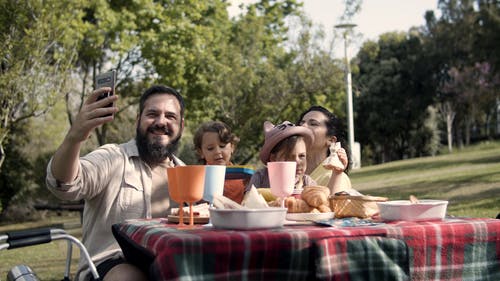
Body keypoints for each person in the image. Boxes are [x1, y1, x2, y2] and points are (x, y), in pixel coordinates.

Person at [46, 84, 186, 281]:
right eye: (152, 114)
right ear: (138, 120)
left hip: (166, 268)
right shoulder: (112, 157)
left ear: (182, 125)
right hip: (107, 269)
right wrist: (74, 137)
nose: (161, 122)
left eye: (170, 116)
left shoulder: (187, 174)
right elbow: (63, 184)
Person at [297, 106, 354, 194]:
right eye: (301, 123)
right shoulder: (292, 173)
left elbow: (336, 207)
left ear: (331, 140)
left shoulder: (336, 177)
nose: (303, 126)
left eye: (313, 124)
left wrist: (337, 175)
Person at [247, 121, 316, 193]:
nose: (297, 162)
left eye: (302, 156)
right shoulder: (261, 177)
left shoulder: (307, 183)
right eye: (289, 157)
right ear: (273, 158)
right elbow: (247, 200)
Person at [193, 121, 249, 203]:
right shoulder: (198, 177)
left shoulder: (243, 175)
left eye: (222, 146)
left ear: (232, 147)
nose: (218, 151)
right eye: (210, 148)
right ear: (201, 152)